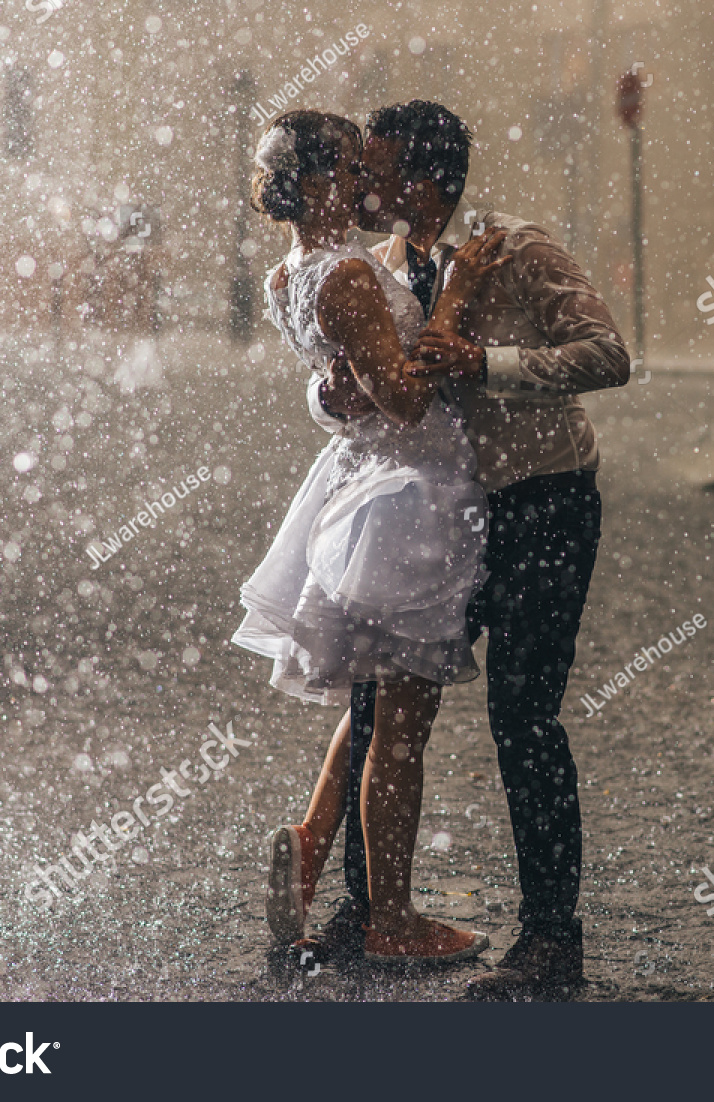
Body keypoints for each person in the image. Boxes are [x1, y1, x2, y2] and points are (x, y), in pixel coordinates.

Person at [300, 101, 630, 999]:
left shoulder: (514, 246)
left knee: (525, 720)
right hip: (443, 516)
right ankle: (364, 911)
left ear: (426, 177)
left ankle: (551, 943)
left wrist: (488, 365)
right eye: (356, 167)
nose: (361, 184)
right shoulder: (388, 268)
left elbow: (608, 353)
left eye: (377, 167)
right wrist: (336, 397)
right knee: (379, 709)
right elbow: (365, 389)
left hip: (542, 504)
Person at [232, 109, 509, 964]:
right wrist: (456, 302)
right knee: (402, 723)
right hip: (406, 494)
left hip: (360, 485)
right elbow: (404, 400)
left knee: (379, 701)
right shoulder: (349, 274)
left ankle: (314, 847)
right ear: (316, 182)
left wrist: (337, 389)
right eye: (351, 167)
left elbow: (338, 382)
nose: (364, 182)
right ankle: (391, 919)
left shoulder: (290, 274)